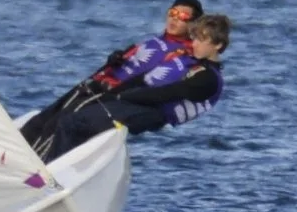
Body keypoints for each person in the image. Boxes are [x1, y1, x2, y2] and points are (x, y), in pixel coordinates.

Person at [25, 13, 230, 164]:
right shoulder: (194, 64)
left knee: (73, 123)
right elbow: (148, 79)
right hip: (141, 104)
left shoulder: (208, 79)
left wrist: (122, 96)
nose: (194, 44)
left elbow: (166, 94)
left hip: (153, 113)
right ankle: (53, 160)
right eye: (194, 38)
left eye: (202, 40)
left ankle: (50, 175)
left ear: (218, 45)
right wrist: (114, 91)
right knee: (74, 114)